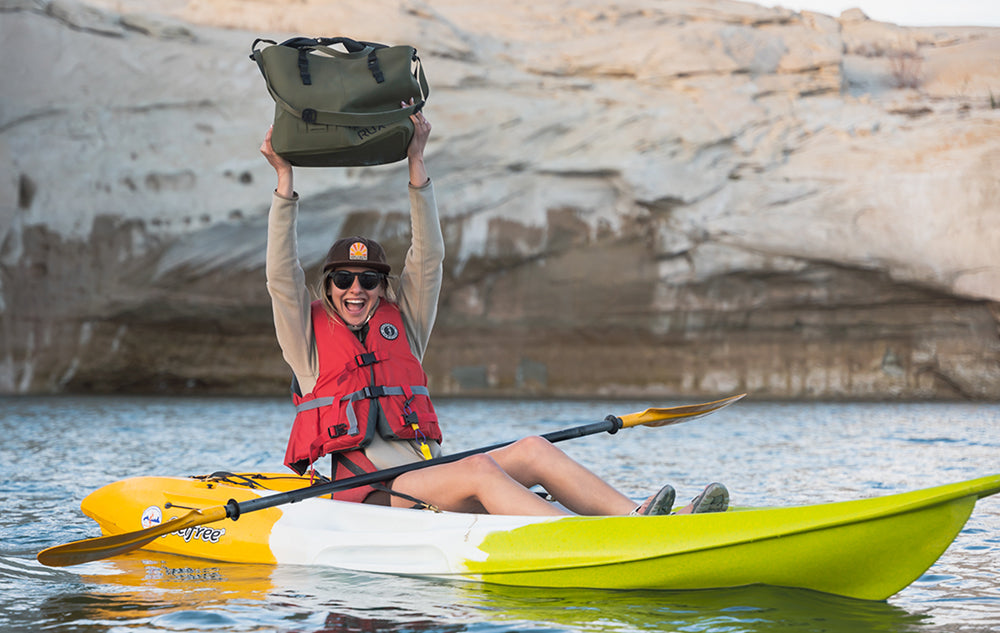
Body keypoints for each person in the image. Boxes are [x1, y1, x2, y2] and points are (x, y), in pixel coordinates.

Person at [260, 104, 729, 517]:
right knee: (481, 470)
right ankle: (569, 537)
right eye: (343, 280)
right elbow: (281, 275)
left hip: (431, 476)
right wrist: (285, 182)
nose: (355, 289)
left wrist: (417, 162)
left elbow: (428, 257)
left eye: (368, 280)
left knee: (532, 449)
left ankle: (635, 518)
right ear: (329, 286)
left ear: (383, 288)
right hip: (370, 495)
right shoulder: (307, 342)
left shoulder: (404, 324)